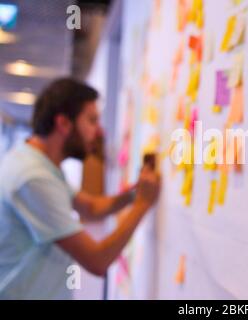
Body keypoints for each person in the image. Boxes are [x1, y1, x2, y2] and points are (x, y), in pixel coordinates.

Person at [0, 78, 160, 299]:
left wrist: (134, 195)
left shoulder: (38, 163)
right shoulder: (33, 178)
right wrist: (143, 203)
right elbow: (98, 261)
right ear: (64, 124)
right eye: (92, 120)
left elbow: (90, 207)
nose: (99, 132)